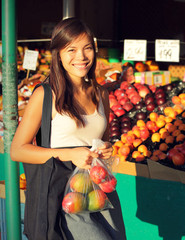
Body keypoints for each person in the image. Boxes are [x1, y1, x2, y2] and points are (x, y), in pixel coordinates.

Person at [10, 17, 126, 240]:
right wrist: (69, 154)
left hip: (99, 192)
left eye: (87, 49)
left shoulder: (101, 94)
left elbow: (102, 138)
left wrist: (106, 148)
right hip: (62, 195)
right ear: (58, 54)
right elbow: (17, 150)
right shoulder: (45, 95)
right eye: (71, 49)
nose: (81, 57)